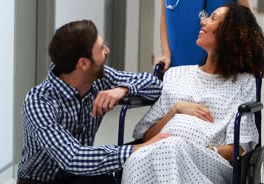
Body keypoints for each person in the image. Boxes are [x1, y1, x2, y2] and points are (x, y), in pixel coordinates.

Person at [122, 3, 264, 183]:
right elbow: (146, 137)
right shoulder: (176, 75)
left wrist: (197, 148)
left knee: (172, 148)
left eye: (213, 18)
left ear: (229, 34)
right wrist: (175, 110)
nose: (203, 22)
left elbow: (238, 148)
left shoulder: (242, 82)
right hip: (158, 152)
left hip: (208, 161)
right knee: (137, 159)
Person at [16, 20, 169, 184]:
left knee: (107, 177)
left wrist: (124, 89)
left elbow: (157, 86)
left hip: (78, 176)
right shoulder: (39, 102)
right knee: (123, 159)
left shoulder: (99, 79)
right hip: (40, 180)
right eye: (102, 48)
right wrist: (140, 149)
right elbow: (73, 158)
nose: (107, 50)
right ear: (83, 64)